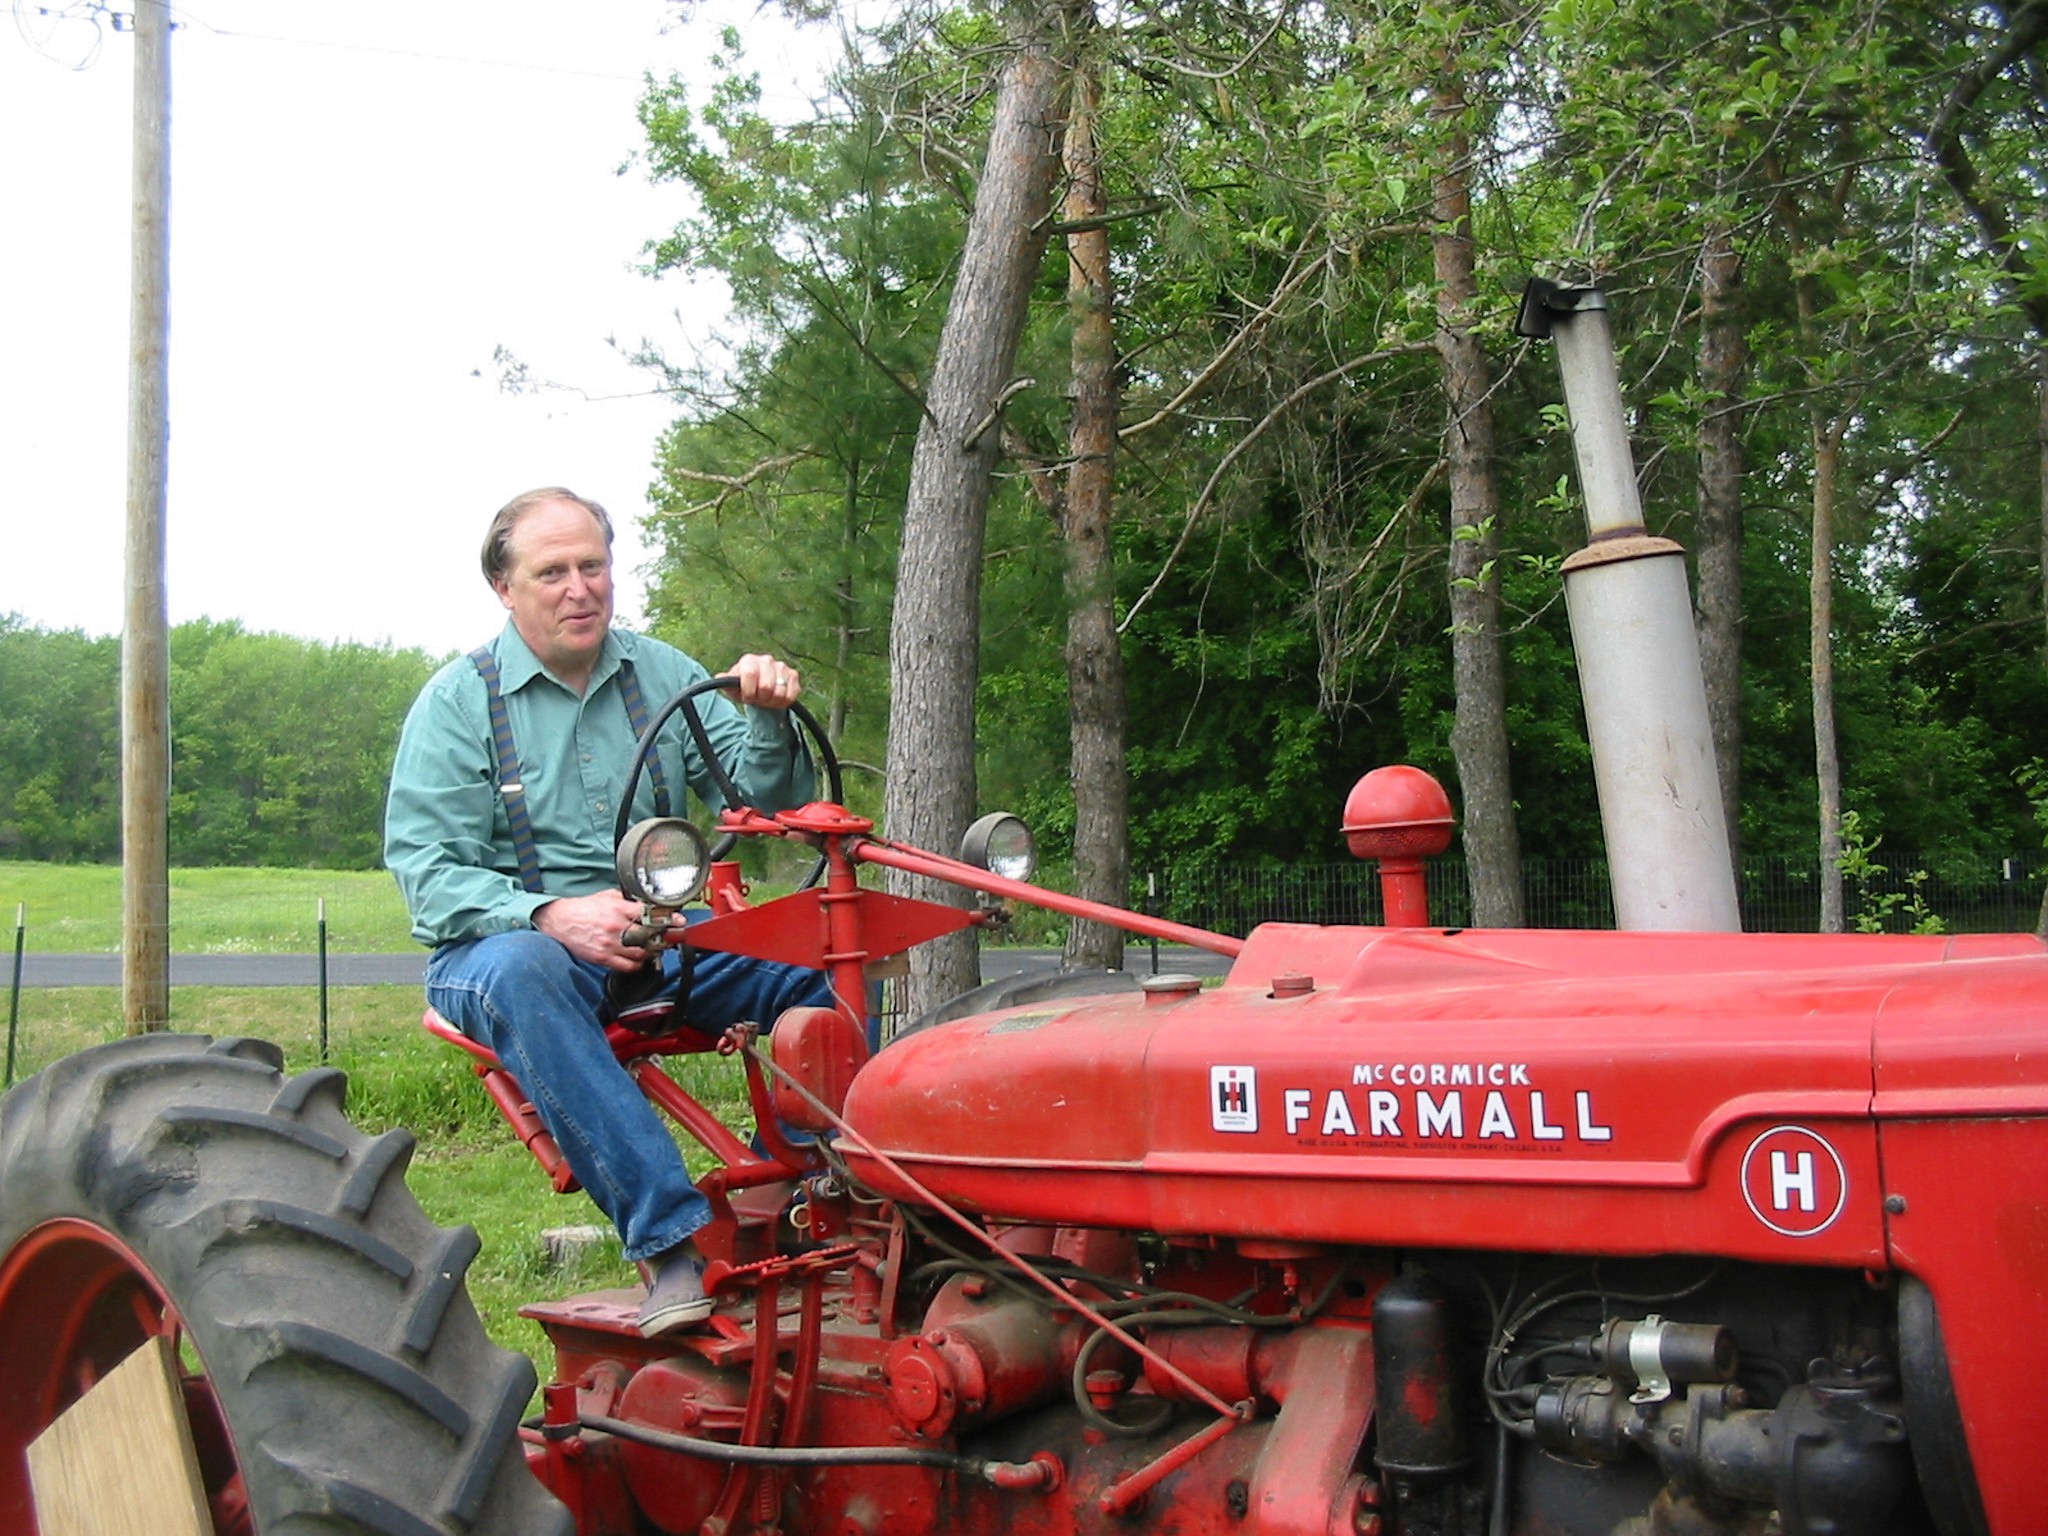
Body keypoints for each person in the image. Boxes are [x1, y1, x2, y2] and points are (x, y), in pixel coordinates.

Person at [385, 486, 833, 1336]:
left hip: (658, 937)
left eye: (592, 565)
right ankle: (669, 1243)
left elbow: (762, 798)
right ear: (504, 588)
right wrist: (550, 912)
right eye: (551, 571)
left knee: (818, 955)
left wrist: (770, 720)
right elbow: (427, 874)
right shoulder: (458, 703)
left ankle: (828, 1186)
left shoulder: (663, 674)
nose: (578, 587)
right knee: (526, 971)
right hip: (501, 950)